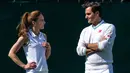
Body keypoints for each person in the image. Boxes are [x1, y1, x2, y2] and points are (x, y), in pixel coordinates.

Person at [76, 2, 116, 73]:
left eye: (88, 14)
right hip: (88, 68)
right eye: (86, 14)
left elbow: (102, 46)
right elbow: (79, 51)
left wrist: (86, 45)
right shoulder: (85, 31)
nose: (86, 17)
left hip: (105, 69)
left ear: (97, 13)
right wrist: (97, 46)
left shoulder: (109, 27)